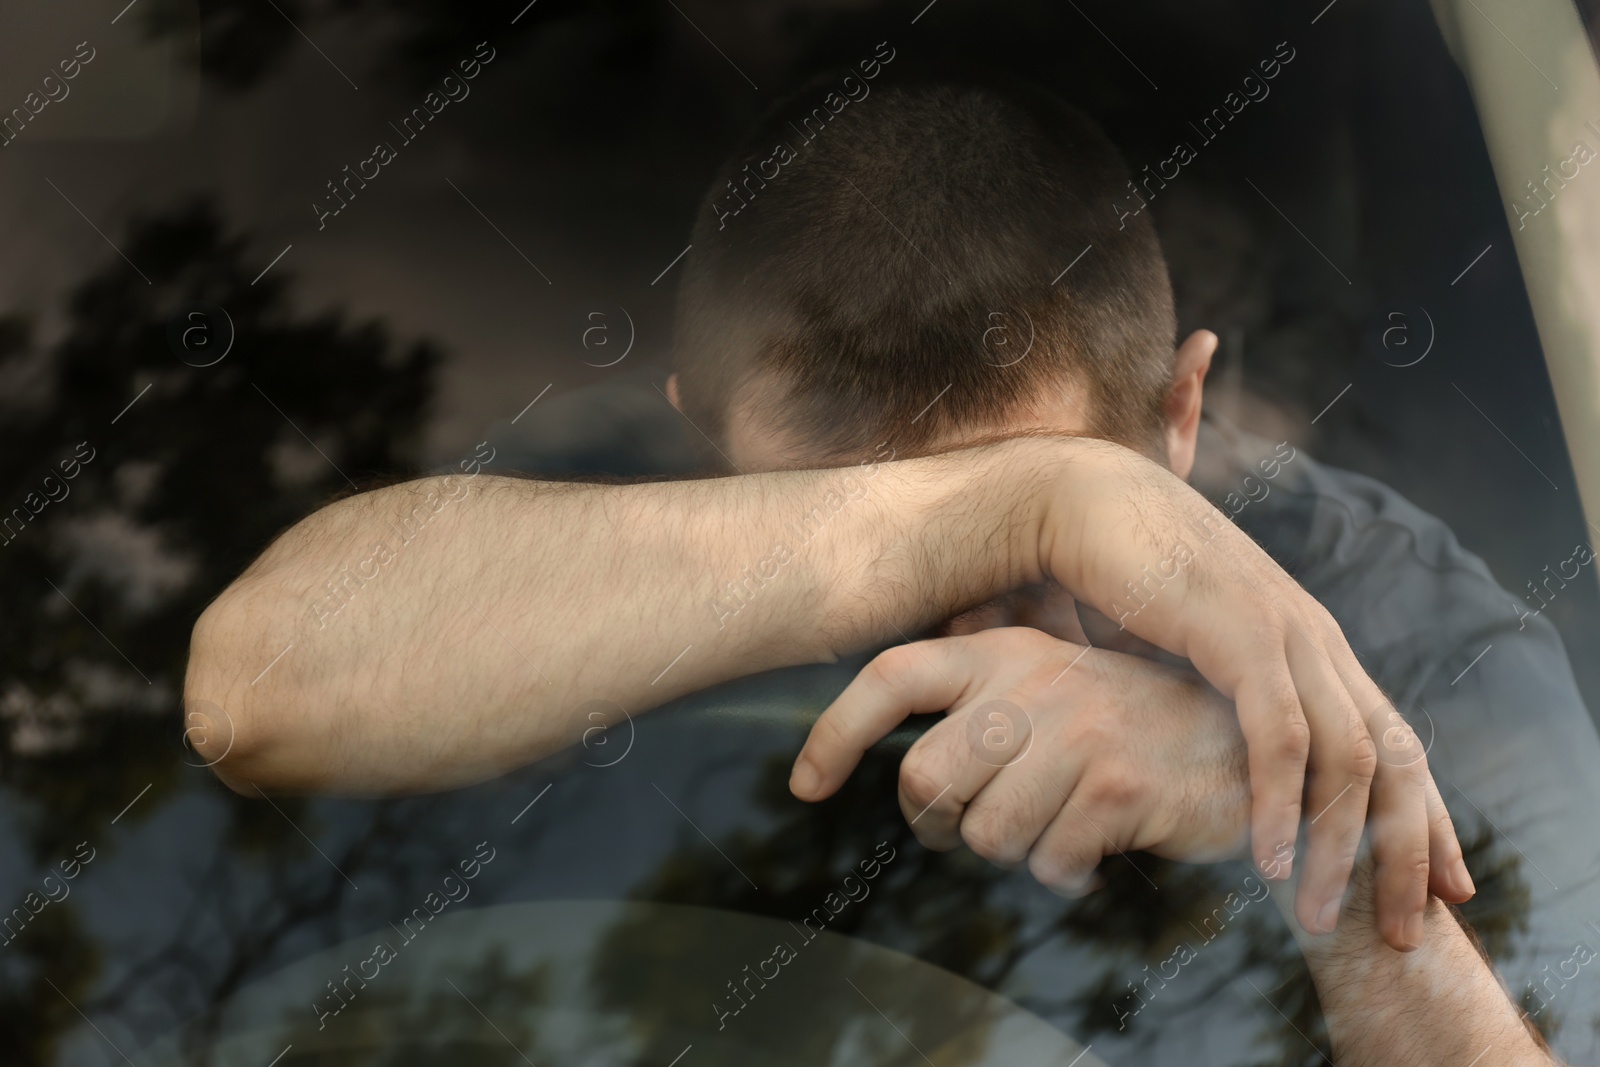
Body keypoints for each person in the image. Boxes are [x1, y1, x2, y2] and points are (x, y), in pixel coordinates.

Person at [180, 74, 1588, 1062]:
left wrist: (1289, 824)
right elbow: (249, 694)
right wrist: (1025, 504)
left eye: (1038, 555)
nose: (963, 648)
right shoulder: (618, 555)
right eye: (882, 535)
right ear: (700, 451)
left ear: (1180, 417)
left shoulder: (1415, 646)